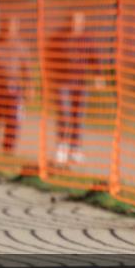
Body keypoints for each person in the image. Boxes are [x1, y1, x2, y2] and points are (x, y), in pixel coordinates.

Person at [46, 10, 97, 165]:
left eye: (79, 20)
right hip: (63, 82)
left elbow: (94, 58)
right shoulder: (59, 39)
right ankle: (62, 146)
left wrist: (98, 75)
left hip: (80, 83)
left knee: (78, 116)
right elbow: (49, 57)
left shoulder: (86, 39)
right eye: (73, 20)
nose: (76, 23)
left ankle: (75, 149)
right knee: (64, 114)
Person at [0, 16, 32, 155]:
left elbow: (27, 69)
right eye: (6, 27)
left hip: (13, 91)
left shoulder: (21, 47)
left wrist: (29, 87)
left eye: (11, 27)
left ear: (16, 29)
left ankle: (8, 149)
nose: (8, 31)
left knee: (13, 120)